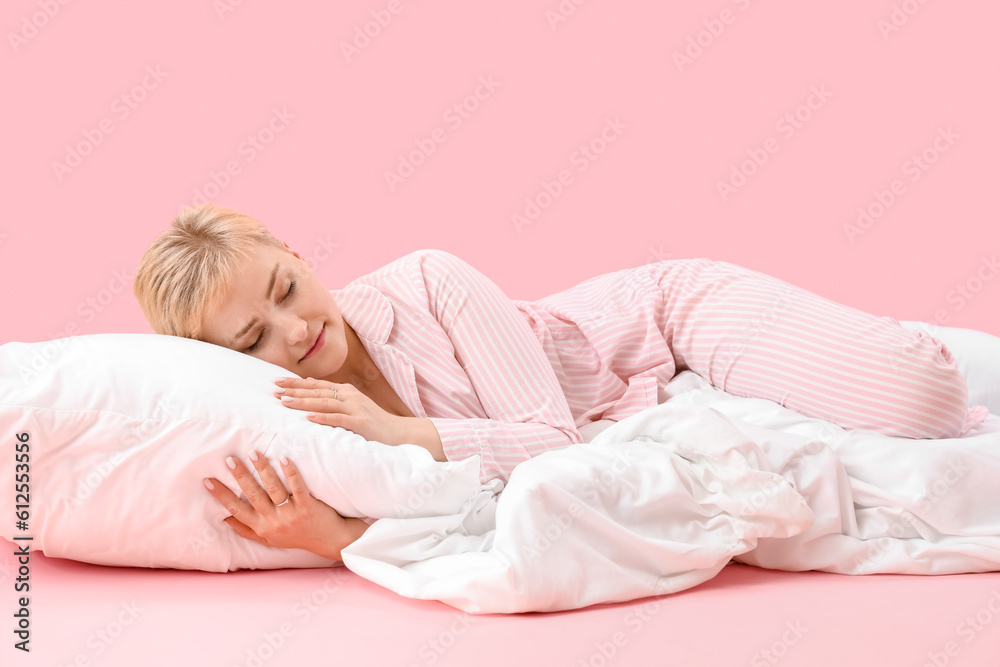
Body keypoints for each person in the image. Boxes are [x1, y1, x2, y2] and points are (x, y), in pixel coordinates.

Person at [133, 204, 986, 564]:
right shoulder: (284, 414)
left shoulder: (428, 279)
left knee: (928, 401)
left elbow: (550, 439)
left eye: (287, 288)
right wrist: (332, 534)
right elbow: (450, 523)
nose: (296, 330)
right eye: (255, 337)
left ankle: (941, 343)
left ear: (298, 254)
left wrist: (399, 432)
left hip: (666, 323)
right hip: (657, 404)